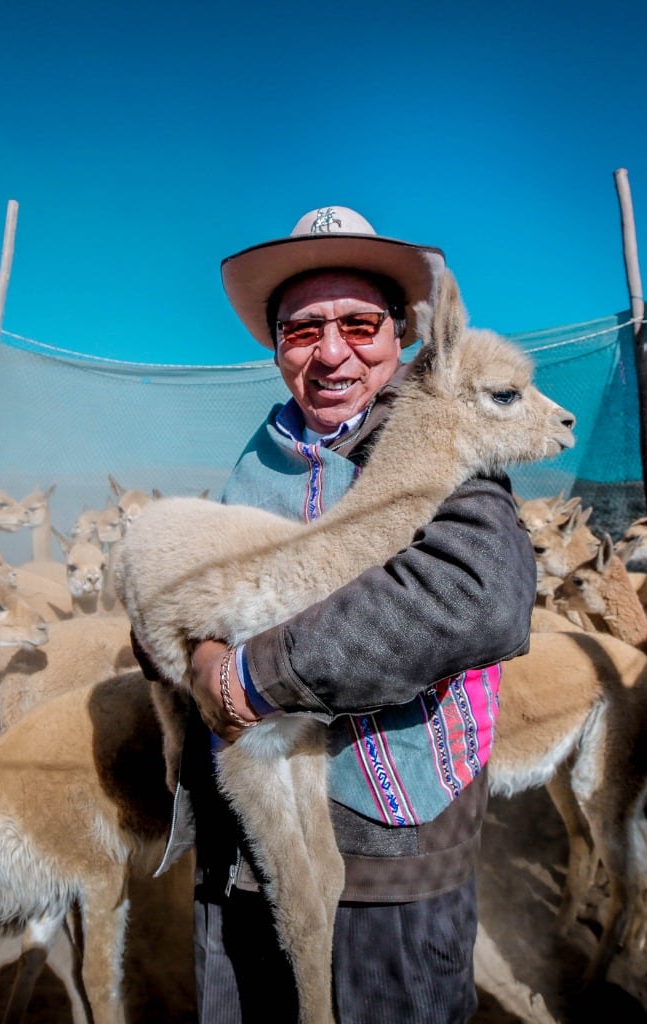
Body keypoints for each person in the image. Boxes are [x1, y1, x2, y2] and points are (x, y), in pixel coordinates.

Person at [154, 205, 538, 1024]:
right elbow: (180, 590)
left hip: (383, 855)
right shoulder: (253, 465)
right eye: (301, 332)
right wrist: (191, 658)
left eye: (360, 324)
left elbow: (473, 599)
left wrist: (258, 675)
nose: (331, 353)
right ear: (276, 346)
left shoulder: (446, 442)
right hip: (246, 842)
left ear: (402, 333)